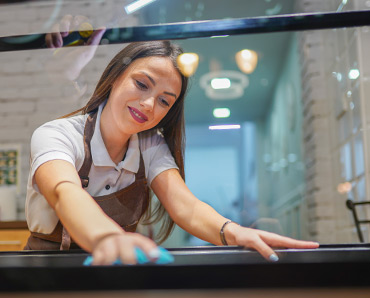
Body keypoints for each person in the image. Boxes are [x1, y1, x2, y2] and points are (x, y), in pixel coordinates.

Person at [25, 40, 319, 264]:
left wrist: (234, 232)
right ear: (115, 77)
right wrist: (108, 238)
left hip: (114, 271)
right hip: (47, 273)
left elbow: (186, 207)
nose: (149, 105)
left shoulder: (150, 144)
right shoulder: (57, 134)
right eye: (142, 84)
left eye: (165, 101)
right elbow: (66, 193)